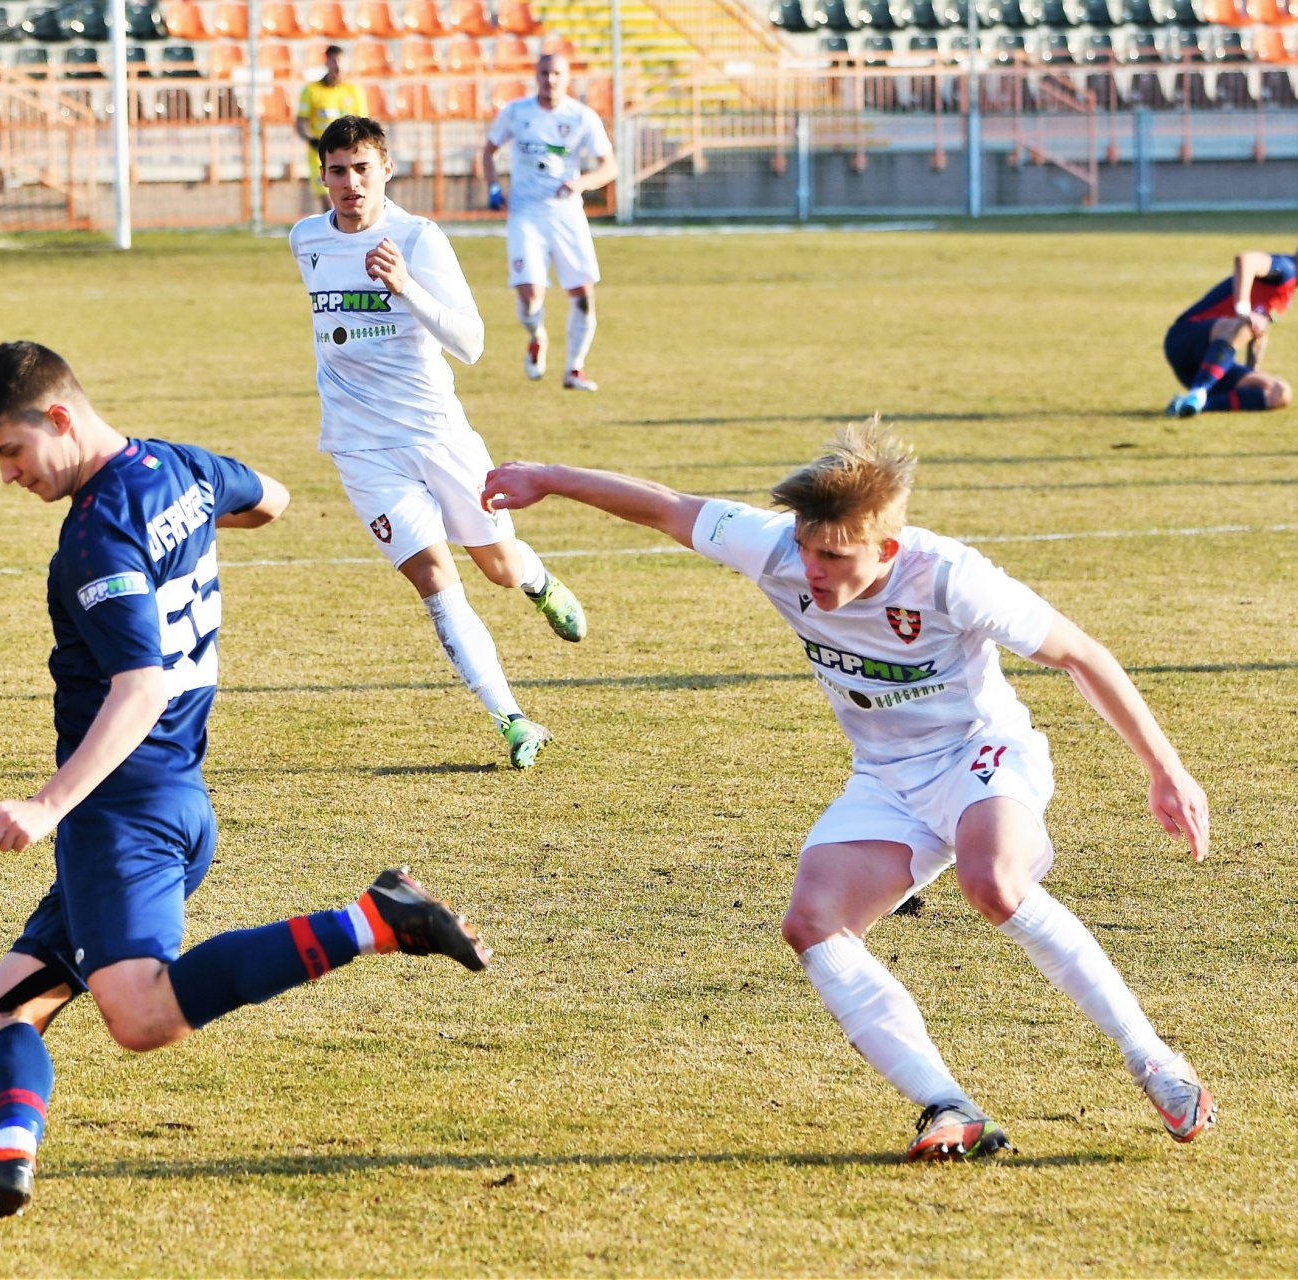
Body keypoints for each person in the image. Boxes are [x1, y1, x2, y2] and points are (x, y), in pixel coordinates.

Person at [482, 420, 1217, 1161]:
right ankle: (949, 1105)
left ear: (886, 550)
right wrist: (547, 476)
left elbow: (1081, 655)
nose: (811, 568)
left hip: (983, 754)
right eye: (807, 548)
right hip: (886, 778)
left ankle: (1155, 1062)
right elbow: (667, 506)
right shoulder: (775, 548)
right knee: (813, 923)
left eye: (833, 555)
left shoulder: (949, 577)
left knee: (993, 883)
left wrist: (1166, 770)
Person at [0, 341, 492, 1226]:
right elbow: (272, 499)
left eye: (11, 450)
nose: (7, 475)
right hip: (175, 798)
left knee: (142, 1016)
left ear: (60, 418)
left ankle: (374, 921)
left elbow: (140, 687)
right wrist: (187, 530)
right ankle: (6, 1161)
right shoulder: (179, 468)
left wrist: (45, 805)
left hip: (125, 813)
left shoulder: (96, 536)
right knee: (4, 1008)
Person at [289, 115, 587, 770]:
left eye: (362, 168)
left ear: (386, 170)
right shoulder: (305, 239)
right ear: (323, 176)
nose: (350, 183)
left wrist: (405, 287)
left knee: (499, 567)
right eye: (337, 170)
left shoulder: (419, 239)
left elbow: (471, 343)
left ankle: (538, 580)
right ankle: (512, 718)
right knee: (433, 577)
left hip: (437, 434)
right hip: (361, 446)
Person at [480, 53, 620, 392]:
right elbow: (488, 151)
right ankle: (537, 335)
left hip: (566, 214)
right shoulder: (516, 112)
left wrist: (582, 183)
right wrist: (495, 187)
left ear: (567, 77)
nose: (550, 79)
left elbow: (609, 167)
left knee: (583, 294)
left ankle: (574, 369)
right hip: (525, 213)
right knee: (530, 296)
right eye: (544, 73)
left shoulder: (581, 117)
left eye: (557, 73)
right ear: (536, 76)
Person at [1164, 224, 1298, 419]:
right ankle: (1199, 391)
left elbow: (1260, 330)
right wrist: (1243, 309)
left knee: (1280, 392)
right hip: (1184, 340)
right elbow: (1245, 260)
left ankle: (1192, 404)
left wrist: (1252, 371)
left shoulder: (1287, 294)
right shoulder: (1285, 268)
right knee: (1250, 321)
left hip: (1212, 362)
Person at [295, 46, 368, 211]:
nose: (338, 66)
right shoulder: (311, 91)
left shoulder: (354, 91)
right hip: (321, 155)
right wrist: (313, 141)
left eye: (341, 61)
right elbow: (300, 123)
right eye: (334, 61)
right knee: (328, 201)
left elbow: (363, 123)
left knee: (348, 201)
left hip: (348, 155)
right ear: (326, 62)